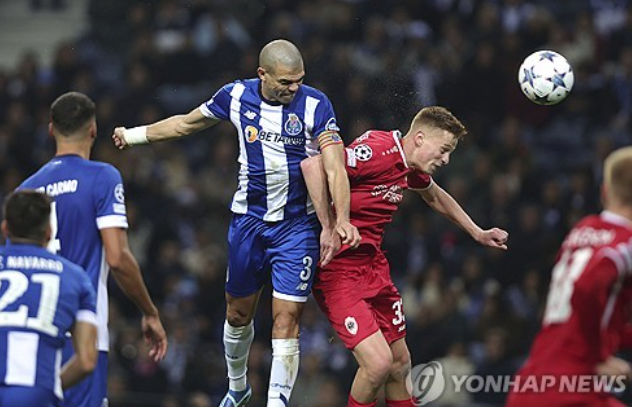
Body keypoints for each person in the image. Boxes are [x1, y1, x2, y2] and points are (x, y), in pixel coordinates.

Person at [112, 39, 360, 407]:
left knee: (286, 318)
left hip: (297, 227)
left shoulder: (316, 104)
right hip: (249, 223)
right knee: (237, 313)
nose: (294, 88)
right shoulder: (236, 95)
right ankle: (238, 388)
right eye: (286, 82)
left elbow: (335, 165)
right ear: (263, 74)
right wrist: (133, 135)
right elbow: (185, 124)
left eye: (299, 80)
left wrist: (342, 219)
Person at [301, 106, 509, 407]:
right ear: (420, 138)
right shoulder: (378, 150)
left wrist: (477, 232)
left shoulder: (409, 165)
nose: (446, 160)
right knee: (378, 365)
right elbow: (314, 166)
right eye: (444, 150)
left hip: (373, 269)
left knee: (400, 365)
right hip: (339, 272)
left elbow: (434, 195)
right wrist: (331, 225)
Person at [19, 92, 167, 407]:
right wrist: (149, 312)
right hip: (81, 332)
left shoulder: (25, 190)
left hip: (30, 334)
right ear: (93, 130)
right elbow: (117, 257)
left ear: (51, 129)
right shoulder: (102, 177)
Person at [505, 146, 632, 407]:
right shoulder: (625, 243)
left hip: (532, 381)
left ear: (604, 192)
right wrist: (598, 357)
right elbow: (587, 287)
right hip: (573, 388)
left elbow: (590, 313)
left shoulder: (581, 230)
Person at [0, 190, 98, 407]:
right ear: (49, 232)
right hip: (36, 393)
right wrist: (54, 385)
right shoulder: (76, 278)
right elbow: (87, 360)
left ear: (5, 229)